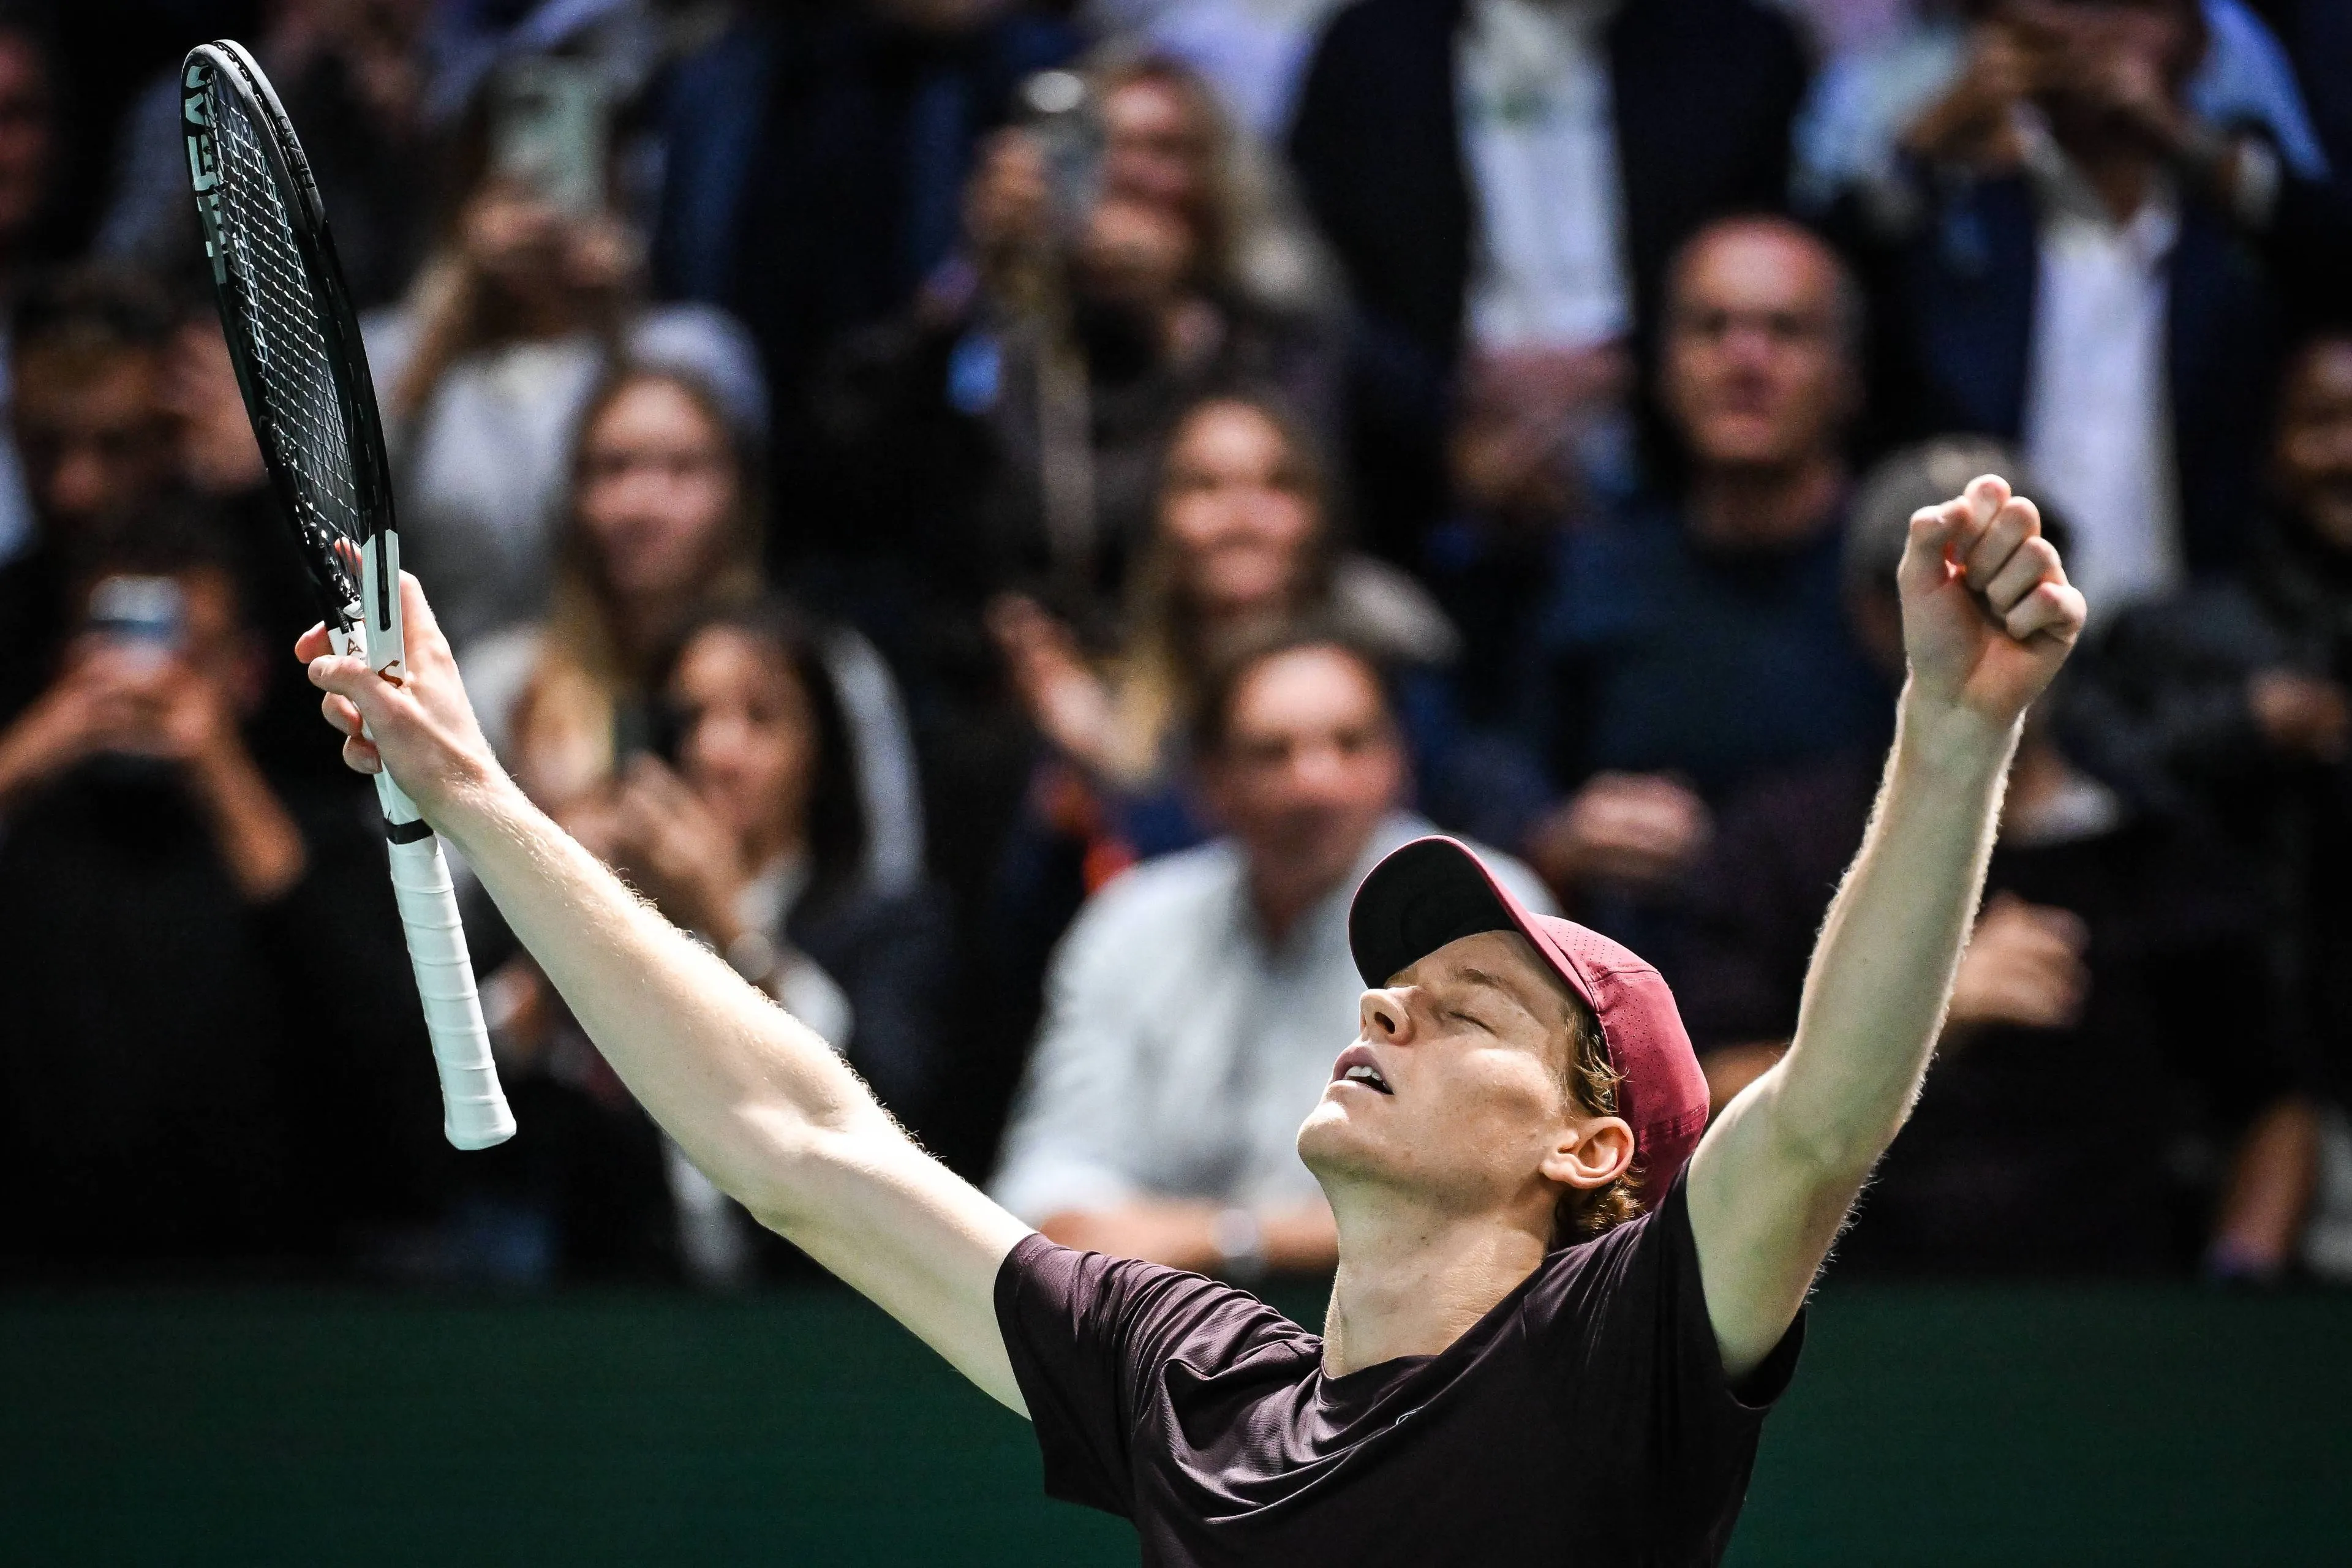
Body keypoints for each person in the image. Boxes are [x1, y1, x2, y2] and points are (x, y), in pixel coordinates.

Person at [305, 418, 2087, 1556]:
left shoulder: (1614, 1354)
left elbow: (1832, 1104)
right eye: (1389, 987)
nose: (1381, 1008)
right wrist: (477, 789)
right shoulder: (1193, 1385)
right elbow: (799, 1145)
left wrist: (1947, 727)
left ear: (1586, 1152)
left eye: (1464, 1006)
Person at [1680, 437, 2316, 1278]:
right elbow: (1698, 1103)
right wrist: (1930, 1018)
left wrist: (2238, 1280)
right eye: (1941, 582)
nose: (1980, 610)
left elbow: (2271, 1096)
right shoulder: (1783, 841)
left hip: (2116, 1318)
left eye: (2013, 573)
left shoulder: (2153, 837)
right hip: (1847, 1312)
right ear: (1876, 614)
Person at [991, 628, 1547, 1275]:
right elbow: (1050, 1169)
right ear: (1210, 781)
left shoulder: (1485, 908)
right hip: (1169, 1329)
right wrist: (1079, 1221)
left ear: (1399, 762)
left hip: (1423, 1336)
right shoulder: (1132, 920)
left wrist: (1231, 1240)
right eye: (1272, 752)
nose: (1315, 782)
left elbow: (1501, 1193)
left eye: (1349, 743)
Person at [0, 518, 442, 1275]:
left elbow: (385, 1070)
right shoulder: (31, 835)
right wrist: (33, 750)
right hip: (40, 1289)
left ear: (246, 672)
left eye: (185, 655)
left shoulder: (320, 838)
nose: (145, 683)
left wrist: (216, 769)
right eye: (114, 649)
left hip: (271, 1284)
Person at [1839, 0, 2352, 617]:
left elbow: (2329, 265)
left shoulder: (2235, 199)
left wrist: (2176, 133)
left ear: (2198, 40)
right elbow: (1838, 298)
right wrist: (1929, 141)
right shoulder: (1959, 203)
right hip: (1990, 626)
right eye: (2069, 7)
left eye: (2133, 8)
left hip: (2211, 635)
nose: (2096, 36)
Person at [1286, 0, 1809, 555]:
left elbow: (1782, 266)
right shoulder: (1371, 46)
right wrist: (1450, 415)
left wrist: (1627, 364)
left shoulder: (1738, 46)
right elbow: (1320, 283)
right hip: (1426, 483)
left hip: (1677, 477)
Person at [1490, 219, 1889, 940]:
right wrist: (1564, 843)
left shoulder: (1904, 581)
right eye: (1711, 329)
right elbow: (1517, 785)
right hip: (1638, 997)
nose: (1745, 359)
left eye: (1786, 330)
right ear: (1665, 367)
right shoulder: (1592, 572)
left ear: (1849, 375)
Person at [2065, 330, 2352, 1274]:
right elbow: (2079, 771)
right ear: (2270, 446)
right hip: (2208, 1097)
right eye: (2323, 424)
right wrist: (2245, 729)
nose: (2348, 451)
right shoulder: (2180, 631)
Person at [461, 364, 923, 897]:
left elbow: (887, 886)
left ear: (739, 493)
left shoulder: (829, 667)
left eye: (682, 469)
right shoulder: (509, 685)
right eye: (613, 469)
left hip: (775, 961)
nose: (642, 503)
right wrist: (528, 834)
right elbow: (439, 907)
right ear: (570, 498)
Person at [365, 123, 763, 648]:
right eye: (512, 175)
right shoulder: (390, 351)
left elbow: (741, 507)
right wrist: (457, 288)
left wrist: (619, 309)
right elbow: (346, 518)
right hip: (451, 668)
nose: (542, 204)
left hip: (657, 660)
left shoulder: (690, 345)